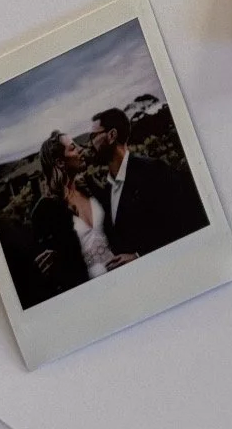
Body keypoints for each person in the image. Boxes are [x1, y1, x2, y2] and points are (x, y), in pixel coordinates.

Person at [89, 107, 207, 258]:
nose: (90, 143)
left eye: (93, 136)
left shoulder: (153, 171)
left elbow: (185, 222)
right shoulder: (108, 188)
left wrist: (139, 255)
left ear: (112, 135)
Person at [30, 131, 133, 292]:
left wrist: (133, 255)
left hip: (126, 278)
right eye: (72, 148)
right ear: (60, 162)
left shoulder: (91, 186)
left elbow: (120, 226)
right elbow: (50, 268)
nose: (80, 149)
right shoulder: (44, 211)